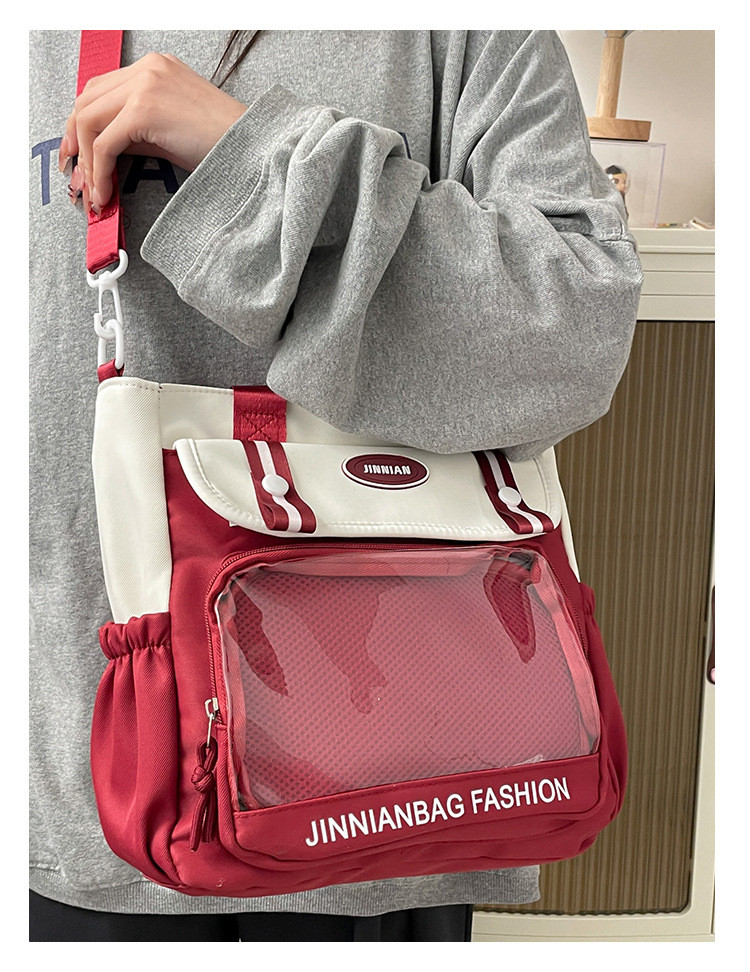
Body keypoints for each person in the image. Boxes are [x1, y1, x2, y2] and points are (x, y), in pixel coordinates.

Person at [29, 29, 643, 942]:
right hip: (69, 791)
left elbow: (575, 335)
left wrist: (261, 165)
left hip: (399, 803)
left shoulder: (467, 33)